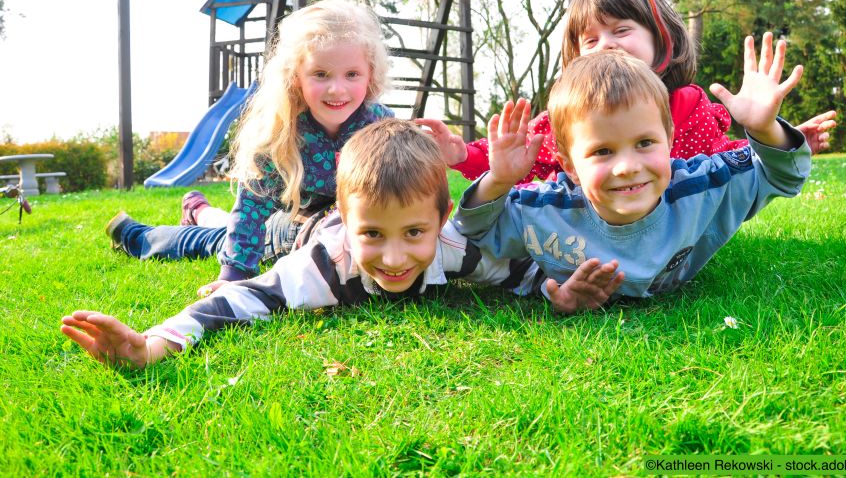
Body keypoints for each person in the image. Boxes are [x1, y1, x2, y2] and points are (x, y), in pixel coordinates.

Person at [61, 120, 624, 368]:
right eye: (373, 235)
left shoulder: (456, 248)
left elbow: (517, 275)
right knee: (219, 239)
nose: (396, 257)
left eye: (414, 234)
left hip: (329, 222)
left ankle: (204, 211)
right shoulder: (321, 268)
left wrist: (560, 295)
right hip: (298, 231)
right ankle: (151, 231)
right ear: (350, 219)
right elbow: (230, 302)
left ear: (442, 218)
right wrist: (153, 345)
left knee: (220, 223)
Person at [451, 37, 811, 301]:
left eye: (644, 143)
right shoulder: (546, 209)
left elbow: (782, 175)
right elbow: (472, 230)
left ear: (669, 137)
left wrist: (765, 129)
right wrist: (498, 180)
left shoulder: (702, 186)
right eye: (603, 151)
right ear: (569, 166)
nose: (627, 167)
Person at [418, 0, 835, 183]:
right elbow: (527, 158)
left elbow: (730, 165)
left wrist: (773, 135)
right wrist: (461, 154)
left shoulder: (688, 106)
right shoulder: (574, 117)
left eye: (621, 30)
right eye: (591, 39)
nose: (606, 46)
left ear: (661, 39)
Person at [106, 0, 394, 295]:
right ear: (296, 77)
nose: (337, 88)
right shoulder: (280, 134)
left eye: (352, 74)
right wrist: (235, 274)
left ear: (370, 73)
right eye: (321, 74)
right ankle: (138, 236)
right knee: (215, 240)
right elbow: (251, 209)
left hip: (342, 226)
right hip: (286, 227)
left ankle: (198, 209)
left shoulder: (382, 127)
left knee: (220, 227)